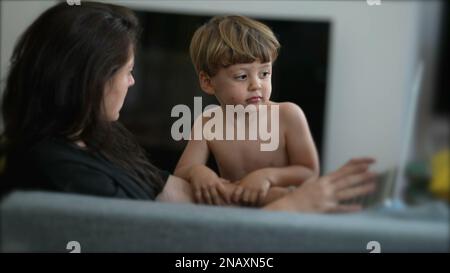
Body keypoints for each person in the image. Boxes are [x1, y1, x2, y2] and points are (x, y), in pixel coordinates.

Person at [0, 1, 376, 213]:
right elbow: (178, 242)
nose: (132, 83)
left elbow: (170, 190)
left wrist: (281, 195)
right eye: (128, 72)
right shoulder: (58, 170)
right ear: (89, 79)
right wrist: (293, 209)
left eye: (264, 72)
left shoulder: (98, 139)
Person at [174, 15, 322, 206]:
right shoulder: (207, 123)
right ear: (208, 82)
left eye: (265, 73)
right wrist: (197, 172)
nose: (256, 85)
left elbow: (309, 171)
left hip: (283, 211)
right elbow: (181, 171)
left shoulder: (288, 115)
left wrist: (268, 176)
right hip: (235, 211)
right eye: (242, 76)